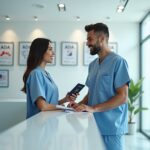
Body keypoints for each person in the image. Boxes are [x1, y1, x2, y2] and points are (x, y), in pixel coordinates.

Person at [71, 23, 130, 150]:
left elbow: (123, 97)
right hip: (93, 126)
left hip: (111, 129)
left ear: (102, 39)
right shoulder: (92, 65)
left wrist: (93, 108)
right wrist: (79, 105)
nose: (87, 43)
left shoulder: (118, 62)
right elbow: (91, 92)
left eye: (90, 39)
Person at [22, 38, 76, 119]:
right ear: (40, 51)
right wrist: (65, 108)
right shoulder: (36, 73)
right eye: (50, 49)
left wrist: (65, 99)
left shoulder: (46, 74)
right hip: (38, 124)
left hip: (49, 122)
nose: (53, 53)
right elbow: (43, 106)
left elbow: (49, 104)